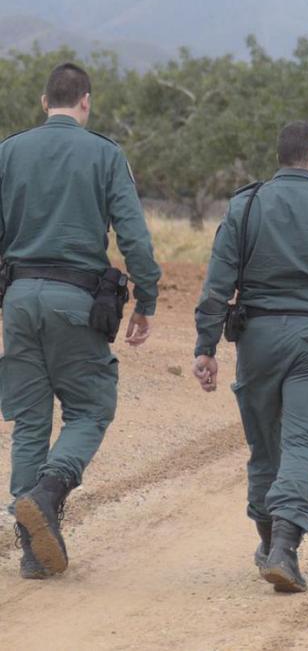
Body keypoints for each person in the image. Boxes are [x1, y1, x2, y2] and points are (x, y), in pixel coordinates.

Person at [191, 121, 308, 593]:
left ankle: (268, 540)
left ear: (281, 157)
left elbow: (218, 282)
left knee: (265, 445)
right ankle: (284, 546)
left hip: (254, 339)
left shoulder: (247, 204)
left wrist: (206, 346)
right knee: (304, 441)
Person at [0, 62, 161, 579]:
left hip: (19, 298)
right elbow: (133, 236)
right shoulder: (105, 154)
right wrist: (147, 297)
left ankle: (31, 550)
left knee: (29, 419)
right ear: (86, 102)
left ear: (45, 103)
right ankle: (49, 494)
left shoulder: (9, 151)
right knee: (91, 408)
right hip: (76, 299)